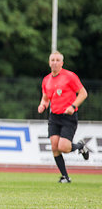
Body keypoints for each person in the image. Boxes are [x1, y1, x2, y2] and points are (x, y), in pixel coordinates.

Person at [38, 51, 89, 183]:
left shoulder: (70, 76)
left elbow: (83, 93)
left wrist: (73, 106)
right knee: (54, 147)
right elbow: (45, 98)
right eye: (52, 60)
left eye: (57, 60)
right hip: (54, 117)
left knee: (64, 147)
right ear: (49, 62)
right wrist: (42, 105)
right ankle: (65, 177)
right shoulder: (46, 80)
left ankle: (80, 146)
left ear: (62, 63)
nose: (54, 62)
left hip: (68, 117)